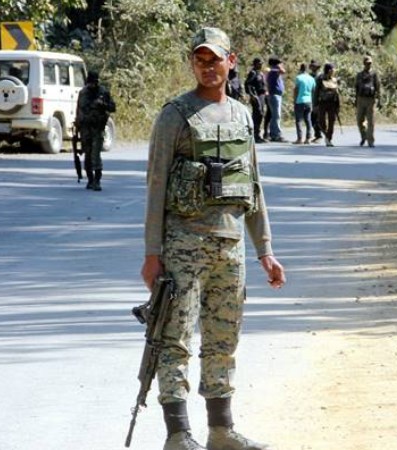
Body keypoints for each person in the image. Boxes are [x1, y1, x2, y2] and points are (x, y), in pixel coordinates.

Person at [141, 27, 286, 450]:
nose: (207, 67)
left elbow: (253, 186)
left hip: (230, 247)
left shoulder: (243, 115)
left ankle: (221, 431)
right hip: (182, 248)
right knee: (175, 339)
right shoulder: (175, 115)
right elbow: (155, 186)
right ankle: (178, 435)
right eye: (200, 60)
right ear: (192, 63)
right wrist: (152, 254)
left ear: (231, 61)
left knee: (223, 338)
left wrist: (265, 251)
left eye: (215, 59)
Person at [75, 70, 116, 191]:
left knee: (95, 154)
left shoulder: (103, 92)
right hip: (85, 128)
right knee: (87, 154)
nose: (92, 85)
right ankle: (90, 179)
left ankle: (97, 181)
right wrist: (77, 125)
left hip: (98, 128)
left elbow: (112, 107)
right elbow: (79, 109)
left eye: (94, 83)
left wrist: (103, 104)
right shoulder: (83, 93)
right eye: (90, 83)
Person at [354, 55, 380, 147]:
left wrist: (379, 99)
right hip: (361, 99)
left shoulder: (374, 74)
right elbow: (356, 88)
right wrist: (356, 100)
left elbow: (377, 87)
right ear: (364, 64)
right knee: (359, 120)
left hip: (370, 99)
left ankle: (370, 141)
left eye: (370, 63)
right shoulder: (359, 75)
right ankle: (364, 136)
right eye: (367, 63)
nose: (368, 65)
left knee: (370, 121)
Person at [315, 63, 340, 147]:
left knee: (332, 121)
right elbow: (316, 92)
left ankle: (329, 138)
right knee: (321, 121)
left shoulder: (334, 80)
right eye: (332, 69)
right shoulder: (320, 79)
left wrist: (338, 105)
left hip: (332, 103)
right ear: (329, 70)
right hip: (322, 103)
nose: (334, 71)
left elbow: (337, 93)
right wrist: (315, 104)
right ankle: (326, 135)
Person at [244, 57, 267, 143]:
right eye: (259, 63)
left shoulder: (260, 73)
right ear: (255, 64)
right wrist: (252, 95)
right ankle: (255, 135)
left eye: (261, 63)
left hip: (262, 96)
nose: (261, 65)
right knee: (257, 114)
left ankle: (258, 134)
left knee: (261, 114)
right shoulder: (253, 73)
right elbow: (247, 84)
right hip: (256, 96)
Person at [292, 63, 316, 144]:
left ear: (300, 69)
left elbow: (296, 90)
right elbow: (313, 90)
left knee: (299, 120)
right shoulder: (311, 78)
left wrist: (294, 100)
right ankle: (308, 138)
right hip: (309, 101)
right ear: (307, 69)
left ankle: (299, 139)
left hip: (300, 101)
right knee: (308, 120)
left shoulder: (298, 78)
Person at [266, 57, 286, 142]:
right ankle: (276, 134)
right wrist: (279, 66)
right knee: (276, 115)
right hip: (274, 95)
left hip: (276, 95)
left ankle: (273, 133)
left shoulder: (273, 71)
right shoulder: (274, 71)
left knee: (275, 115)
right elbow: (283, 71)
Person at [308, 60, 323, 143]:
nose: (313, 68)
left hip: (318, 100)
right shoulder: (309, 76)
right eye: (312, 66)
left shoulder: (320, 76)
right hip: (310, 99)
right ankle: (317, 135)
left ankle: (319, 135)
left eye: (314, 66)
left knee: (316, 118)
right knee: (312, 118)